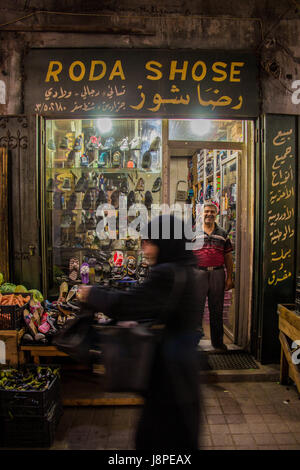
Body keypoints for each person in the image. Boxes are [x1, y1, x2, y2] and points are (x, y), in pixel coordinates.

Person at [77, 214, 201, 450]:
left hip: (170, 377)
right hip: (182, 371)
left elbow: (127, 305)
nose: (144, 248)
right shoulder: (187, 269)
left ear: (165, 243)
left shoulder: (167, 273)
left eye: (149, 242)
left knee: (158, 439)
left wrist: (92, 294)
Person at [193, 201, 234, 351]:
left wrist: (230, 277)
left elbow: (228, 257)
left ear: (216, 214)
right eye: (206, 211)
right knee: (196, 309)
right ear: (201, 214)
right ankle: (194, 342)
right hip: (198, 274)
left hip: (217, 273)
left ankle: (217, 343)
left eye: (212, 212)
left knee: (216, 309)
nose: (209, 214)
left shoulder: (223, 233)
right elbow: (187, 256)